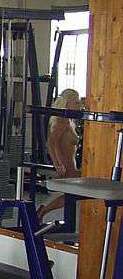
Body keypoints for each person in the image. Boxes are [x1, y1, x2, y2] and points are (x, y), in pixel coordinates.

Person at [37, 88, 82, 220]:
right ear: (67, 103)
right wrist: (57, 164)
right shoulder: (63, 121)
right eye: (76, 103)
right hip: (66, 167)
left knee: (72, 195)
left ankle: (43, 210)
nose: (79, 105)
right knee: (72, 195)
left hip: (71, 166)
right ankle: (43, 211)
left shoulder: (70, 121)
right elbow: (51, 143)